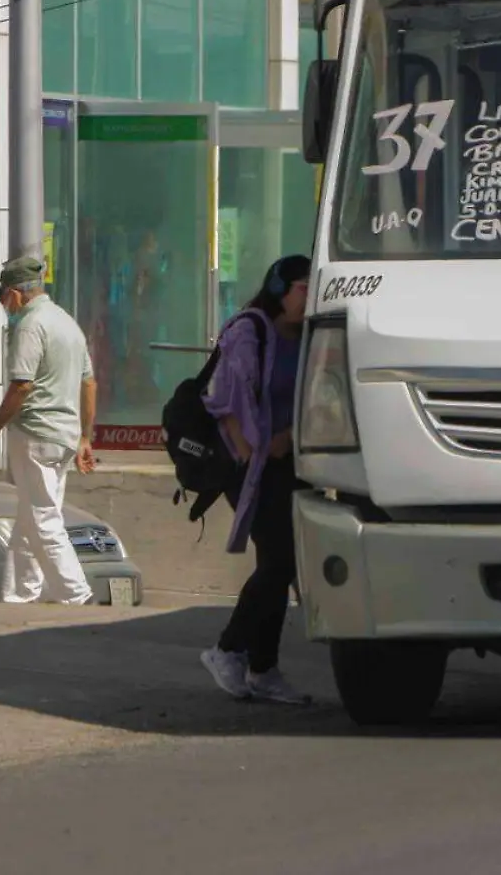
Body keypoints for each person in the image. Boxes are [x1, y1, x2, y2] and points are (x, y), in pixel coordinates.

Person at [198, 254, 313, 705]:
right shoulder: (251, 331)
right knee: (279, 561)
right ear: (279, 288)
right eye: (304, 287)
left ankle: (264, 667)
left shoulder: (309, 335)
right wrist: (258, 452)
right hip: (251, 464)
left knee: (281, 564)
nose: (311, 295)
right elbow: (225, 403)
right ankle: (228, 648)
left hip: (292, 461)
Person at [0, 255, 100, 606]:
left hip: (36, 434)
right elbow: (89, 383)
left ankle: (77, 596)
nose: (3, 306)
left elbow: (21, 387)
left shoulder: (30, 325)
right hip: (63, 436)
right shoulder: (67, 323)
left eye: (3, 299)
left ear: (15, 294)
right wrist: (85, 437)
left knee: (44, 519)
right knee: (30, 517)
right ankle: (19, 595)